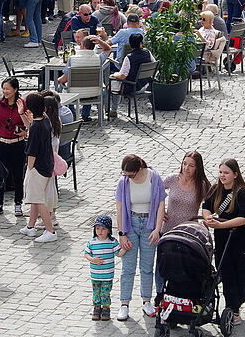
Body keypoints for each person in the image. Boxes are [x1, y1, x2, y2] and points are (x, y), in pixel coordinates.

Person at [201, 159, 245, 325]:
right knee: (226, 272)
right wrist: (208, 218)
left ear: (235, 174)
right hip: (223, 239)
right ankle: (231, 307)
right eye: (220, 172)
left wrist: (221, 224)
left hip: (243, 241)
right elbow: (206, 206)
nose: (222, 176)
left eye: (226, 173)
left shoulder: (242, 193)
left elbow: (243, 218)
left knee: (241, 274)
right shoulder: (216, 189)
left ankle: (235, 307)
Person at [114, 154, 166, 321]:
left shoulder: (154, 177)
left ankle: (146, 301)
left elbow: (160, 204)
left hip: (149, 224)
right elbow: (120, 207)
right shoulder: (123, 182)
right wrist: (121, 233)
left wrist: (158, 229)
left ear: (139, 169)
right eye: (125, 174)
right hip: (131, 223)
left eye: (130, 174)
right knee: (128, 267)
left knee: (147, 266)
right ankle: (124, 304)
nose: (127, 177)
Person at [19, 92, 58, 243]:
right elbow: (33, 127)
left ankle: (50, 230)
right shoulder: (45, 119)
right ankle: (30, 227)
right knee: (36, 198)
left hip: (37, 167)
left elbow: (32, 151)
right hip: (47, 164)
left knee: (37, 199)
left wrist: (29, 168)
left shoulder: (36, 126)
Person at [0, 78, 27, 217]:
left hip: (18, 143)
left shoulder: (23, 103)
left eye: (7, 89)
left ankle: (18, 203)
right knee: (0, 174)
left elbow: (28, 122)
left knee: (18, 175)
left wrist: (24, 130)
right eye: (3, 89)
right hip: (1, 143)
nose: (5, 91)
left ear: (15, 89)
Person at [83, 214, 123, 322]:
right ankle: (96, 308)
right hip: (95, 274)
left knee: (105, 292)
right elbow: (86, 254)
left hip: (107, 275)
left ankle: (106, 309)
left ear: (109, 230)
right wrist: (92, 259)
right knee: (96, 291)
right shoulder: (92, 242)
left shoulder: (112, 242)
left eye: (103, 228)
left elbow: (118, 253)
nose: (100, 231)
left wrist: (125, 247)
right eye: (97, 228)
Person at [107, 32, 155, 118]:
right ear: (141, 43)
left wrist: (114, 75)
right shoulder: (148, 52)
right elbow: (154, 64)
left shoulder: (129, 57)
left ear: (130, 44)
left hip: (134, 87)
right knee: (116, 82)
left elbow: (122, 76)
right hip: (146, 85)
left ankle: (112, 110)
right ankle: (112, 110)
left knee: (111, 84)